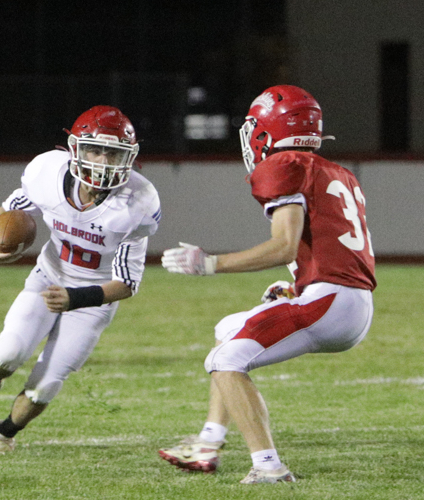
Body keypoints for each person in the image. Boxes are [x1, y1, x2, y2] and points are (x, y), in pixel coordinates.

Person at [158, 85, 376, 484]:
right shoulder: (336, 171)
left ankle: (268, 467)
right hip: (348, 301)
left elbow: (283, 245)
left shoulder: (284, 163)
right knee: (228, 332)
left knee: (224, 361)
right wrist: (298, 285)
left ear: (267, 130)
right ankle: (208, 443)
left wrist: (210, 263)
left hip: (331, 301)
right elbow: (330, 248)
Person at [0, 105, 161, 454]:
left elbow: (127, 284)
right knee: (10, 351)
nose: (103, 161)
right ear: (75, 149)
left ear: (128, 157)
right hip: (49, 278)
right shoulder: (47, 173)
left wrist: (76, 299)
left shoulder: (138, 203)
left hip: (92, 299)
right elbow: (13, 208)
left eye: (113, 152)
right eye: (94, 149)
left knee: (46, 384)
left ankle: (5, 432)